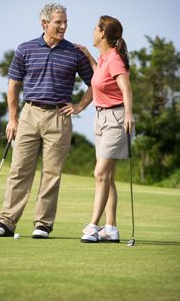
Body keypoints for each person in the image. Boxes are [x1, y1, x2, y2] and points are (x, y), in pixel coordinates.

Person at [0, 3, 93, 238]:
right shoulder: (25, 49)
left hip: (59, 117)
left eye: (65, 22)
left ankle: (43, 225)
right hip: (29, 114)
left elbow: (96, 82)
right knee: (19, 170)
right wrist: (12, 119)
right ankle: (6, 222)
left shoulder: (75, 53)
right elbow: (13, 85)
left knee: (52, 173)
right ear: (45, 23)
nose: (64, 26)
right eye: (59, 22)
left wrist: (80, 106)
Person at [75, 15, 135, 243]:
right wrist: (89, 56)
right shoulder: (104, 59)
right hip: (101, 119)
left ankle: (92, 226)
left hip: (117, 119)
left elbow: (126, 88)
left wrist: (129, 115)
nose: (92, 31)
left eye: (94, 28)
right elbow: (99, 77)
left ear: (102, 34)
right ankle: (111, 229)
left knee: (100, 173)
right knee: (107, 176)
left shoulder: (115, 60)